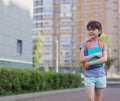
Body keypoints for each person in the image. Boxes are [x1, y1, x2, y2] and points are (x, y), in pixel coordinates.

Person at [79, 21, 108, 101]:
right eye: (89, 30)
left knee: (98, 99)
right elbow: (81, 59)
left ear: (99, 31)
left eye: (93, 29)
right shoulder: (84, 44)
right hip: (89, 76)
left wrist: (91, 63)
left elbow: (104, 59)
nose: (91, 31)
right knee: (90, 99)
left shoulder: (102, 45)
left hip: (100, 75)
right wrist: (94, 55)